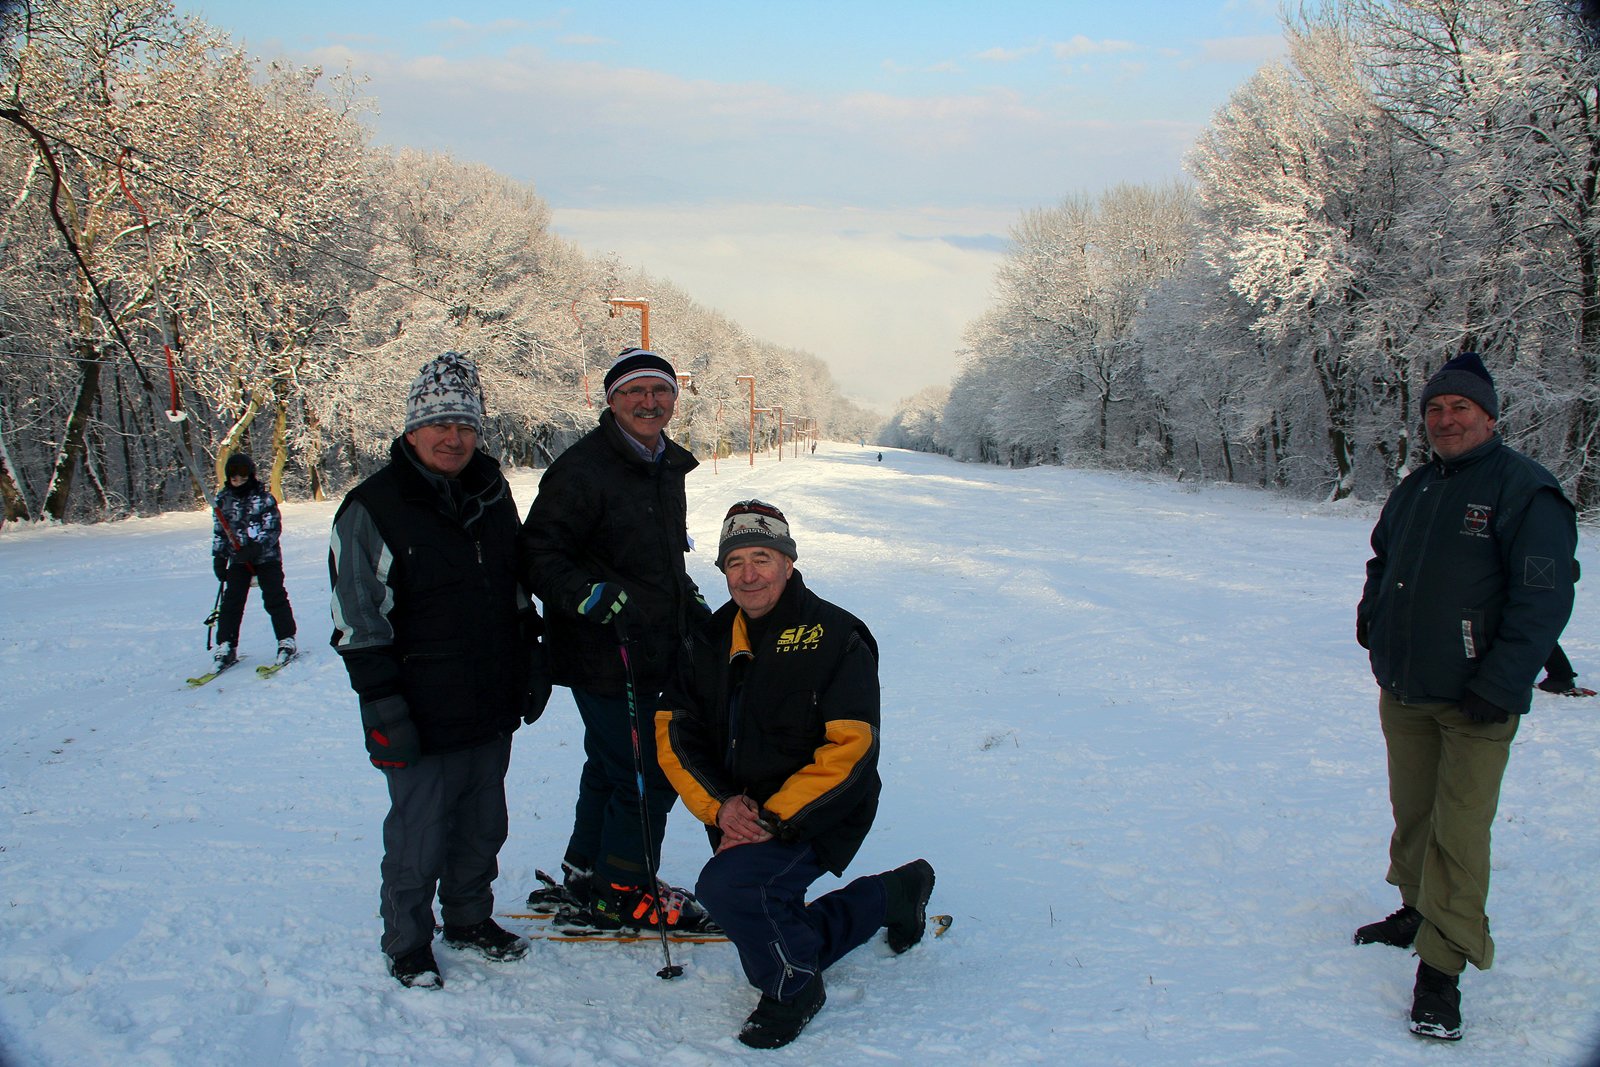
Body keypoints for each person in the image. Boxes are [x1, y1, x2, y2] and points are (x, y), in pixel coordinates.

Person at [656, 499, 936, 1049]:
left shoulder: (837, 635)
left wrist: (772, 820)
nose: (749, 575)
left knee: (731, 887)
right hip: (737, 810)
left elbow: (852, 748)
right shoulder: (707, 638)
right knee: (770, 913)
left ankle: (794, 987)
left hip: (823, 809)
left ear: (788, 562)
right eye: (735, 562)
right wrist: (720, 807)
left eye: (762, 558)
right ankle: (892, 896)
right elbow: (674, 730)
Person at [1354, 351, 1577, 1041]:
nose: (1445, 419)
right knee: (1415, 813)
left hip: (1477, 697)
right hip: (1407, 687)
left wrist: (1501, 680)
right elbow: (1383, 560)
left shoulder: (1525, 489)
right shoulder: (1418, 487)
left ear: (1490, 416)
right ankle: (1416, 908)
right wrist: (1372, 622)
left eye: (1461, 407)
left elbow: (1544, 598)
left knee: (1459, 831)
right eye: (1435, 408)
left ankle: (1442, 968)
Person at [329, 351, 550, 989]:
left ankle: (468, 919)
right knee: (418, 835)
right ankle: (407, 942)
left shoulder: (491, 494)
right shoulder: (373, 507)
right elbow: (358, 620)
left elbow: (513, 586)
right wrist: (383, 708)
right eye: (439, 425)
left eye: (465, 426)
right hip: (418, 707)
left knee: (484, 826)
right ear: (412, 429)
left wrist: (531, 656)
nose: (453, 438)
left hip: (489, 698)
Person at [517, 347, 715, 930]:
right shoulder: (582, 469)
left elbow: (655, 557)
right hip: (604, 649)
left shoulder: (665, 463)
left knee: (611, 764)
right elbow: (536, 553)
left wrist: (686, 599)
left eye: (660, 391)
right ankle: (624, 891)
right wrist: (584, 593)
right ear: (612, 401)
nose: (649, 402)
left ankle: (587, 870)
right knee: (647, 771)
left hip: (655, 644)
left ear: (674, 398)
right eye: (635, 391)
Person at [210, 452, 297, 669]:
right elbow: (220, 531)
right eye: (233, 476)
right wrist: (219, 557)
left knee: (274, 596)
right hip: (238, 560)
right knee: (231, 601)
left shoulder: (263, 498)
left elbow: (273, 528)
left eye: (242, 476)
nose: (238, 480)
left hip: (267, 558)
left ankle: (286, 640)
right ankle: (227, 645)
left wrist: (255, 548)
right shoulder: (223, 500)